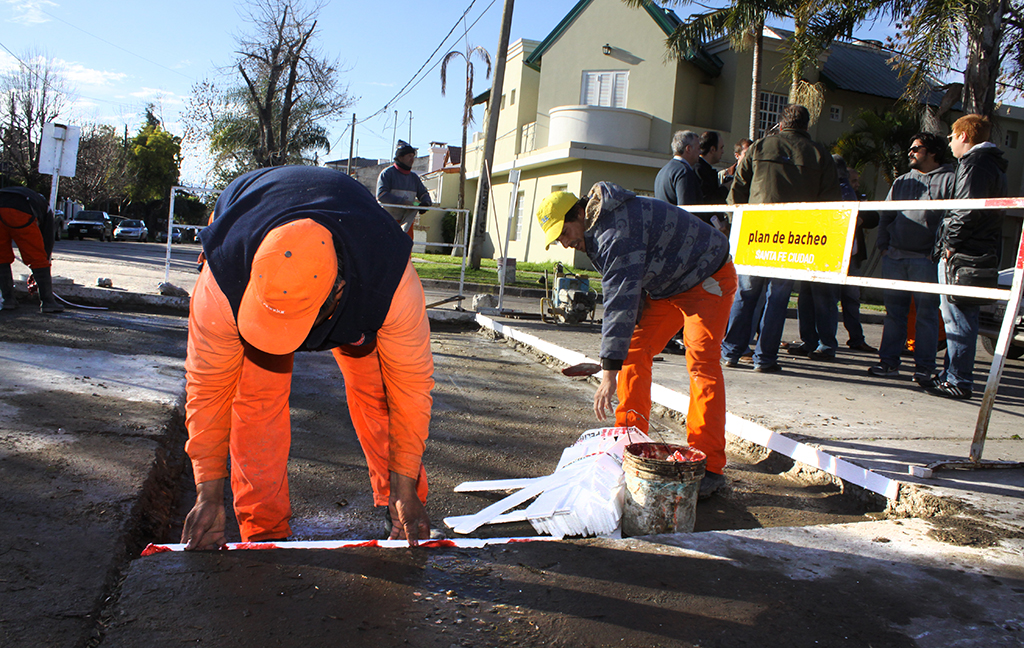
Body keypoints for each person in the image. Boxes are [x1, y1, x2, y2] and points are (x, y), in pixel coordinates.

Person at [181, 166, 435, 550]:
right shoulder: (222, 281)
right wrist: (207, 494)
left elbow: (410, 392)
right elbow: (208, 390)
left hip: (358, 280)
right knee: (255, 403)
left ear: (337, 294)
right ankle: (264, 533)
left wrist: (406, 485)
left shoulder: (391, 281)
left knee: (377, 394)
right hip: (252, 239)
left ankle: (398, 503)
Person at [535, 182, 736, 499]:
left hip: (707, 275)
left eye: (564, 232)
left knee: (702, 364)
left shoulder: (615, 233)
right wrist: (616, 357)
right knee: (634, 350)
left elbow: (620, 302)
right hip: (668, 285)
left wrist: (608, 374)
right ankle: (630, 440)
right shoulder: (596, 230)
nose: (564, 243)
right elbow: (630, 293)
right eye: (558, 238)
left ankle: (708, 464)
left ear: (578, 213)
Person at [721, 105, 842, 373]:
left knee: (747, 292)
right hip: (795, 236)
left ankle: (732, 351)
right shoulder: (819, 153)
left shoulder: (761, 146)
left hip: (756, 230)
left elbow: (737, 188)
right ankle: (765, 359)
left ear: (781, 122)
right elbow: (831, 201)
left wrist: (738, 223)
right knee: (778, 298)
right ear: (806, 125)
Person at [930, 115, 1008, 399]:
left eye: (951, 136)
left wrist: (949, 243)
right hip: (977, 249)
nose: (949, 142)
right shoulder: (992, 164)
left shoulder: (975, 164)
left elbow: (967, 210)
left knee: (957, 317)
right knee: (960, 315)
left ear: (963, 135)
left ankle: (958, 379)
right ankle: (951, 375)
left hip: (964, 253)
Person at [868, 133, 955, 386]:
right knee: (895, 314)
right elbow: (886, 216)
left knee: (927, 315)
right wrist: (884, 246)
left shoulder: (950, 180)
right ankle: (889, 363)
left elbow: (952, 219)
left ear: (933, 152)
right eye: (911, 148)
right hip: (894, 257)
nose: (910, 152)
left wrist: (935, 252)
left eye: (916, 148)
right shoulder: (902, 181)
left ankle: (925, 369)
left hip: (926, 261)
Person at [0, 186, 64, 314]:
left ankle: (8, 300)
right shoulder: (45, 209)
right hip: (21, 211)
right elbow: (47, 240)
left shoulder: (28, 196)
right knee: (37, 257)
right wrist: (38, 269)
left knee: (1, 257)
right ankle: (48, 302)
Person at [841, 167, 878, 352]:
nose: (856, 185)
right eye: (853, 181)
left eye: (857, 182)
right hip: (834, 258)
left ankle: (857, 339)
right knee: (826, 302)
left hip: (853, 259)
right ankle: (823, 342)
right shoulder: (834, 195)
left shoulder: (860, 199)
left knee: (852, 300)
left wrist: (861, 217)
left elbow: (875, 217)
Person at [376, 140, 433, 238]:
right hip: (387, 221)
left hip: (407, 223)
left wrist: (425, 203)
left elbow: (424, 194)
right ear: (400, 157)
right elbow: (381, 195)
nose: (412, 159)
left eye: (413, 156)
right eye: (409, 156)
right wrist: (403, 202)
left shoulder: (414, 178)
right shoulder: (387, 174)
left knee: (406, 250)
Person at [654, 130, 703, 207]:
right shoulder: (684, 172)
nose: (700, 152)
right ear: (688, 149)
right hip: (677, 218)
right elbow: (686, 210)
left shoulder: (663, 171)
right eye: (698, 148)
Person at [697, 131, 731, 233]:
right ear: (712, 149)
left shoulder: (704, 169)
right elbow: (708, 199)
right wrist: (725, 187)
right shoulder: (700, 170)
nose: (723, 152)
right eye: (721, 148)